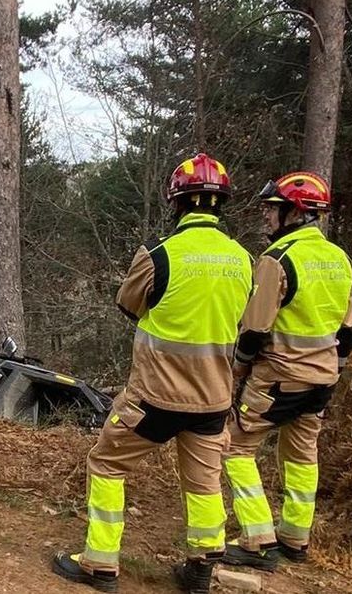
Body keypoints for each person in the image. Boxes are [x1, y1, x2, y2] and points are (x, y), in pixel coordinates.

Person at [52, 153, 252, 593]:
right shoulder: (244, 260)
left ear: (176, 203)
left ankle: (100, 563)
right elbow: (247, 321)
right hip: (213, 401)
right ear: (222, 205)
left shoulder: (160, 255)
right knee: (203, 482)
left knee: (105, 463)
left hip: (153, 399)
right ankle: (201, 568)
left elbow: (128, 304)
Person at [221, 172, 352, 571]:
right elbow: (347, 333)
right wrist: (333, 369)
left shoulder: (277, 260)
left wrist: (237, 375)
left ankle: (258, 538)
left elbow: (255, 331)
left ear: (295, 213)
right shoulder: (340, 259)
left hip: (278, 377)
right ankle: (296, 538)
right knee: (302, 455)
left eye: (272, 208)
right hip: (323, 379)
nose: (266, 215)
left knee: (236, 447)